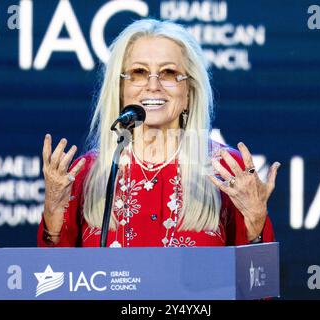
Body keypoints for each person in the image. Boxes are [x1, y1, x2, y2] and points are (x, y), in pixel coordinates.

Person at [37, 19, 280, 248]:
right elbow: (55, 281)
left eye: (169, 73)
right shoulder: (87, 172)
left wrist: (256, 224)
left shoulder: (226, 169)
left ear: (189, 92)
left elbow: (256, 285)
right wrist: (52, 218)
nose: (153, 85)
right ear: (120, 88)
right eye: (139, 72)